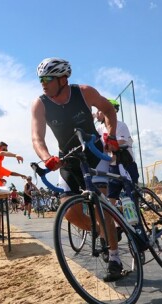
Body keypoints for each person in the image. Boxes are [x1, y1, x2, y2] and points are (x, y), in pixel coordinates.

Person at [31, 57, 123, 282]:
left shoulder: (84, 92)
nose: (43, 83)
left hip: (94, 155)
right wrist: (47, 158)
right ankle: (103, 232)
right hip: (69, 160)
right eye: (41, 79)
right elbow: (37, 137)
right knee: (69, 212)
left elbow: (109, 111)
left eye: (48, 79)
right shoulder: (40, 104)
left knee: (102, 206)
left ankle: (114, 258)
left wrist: (111, 135)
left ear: (63, 79)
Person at [96, 99, 140, 204]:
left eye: (99, 110)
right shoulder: (100, 128)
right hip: (113, 166)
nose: (97, 113)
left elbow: (119, 142)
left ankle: (137, 216)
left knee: (131, 194)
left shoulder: (121, 125)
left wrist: (106, 146)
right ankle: (113, 217)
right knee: (111, 197)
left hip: (126, 164)